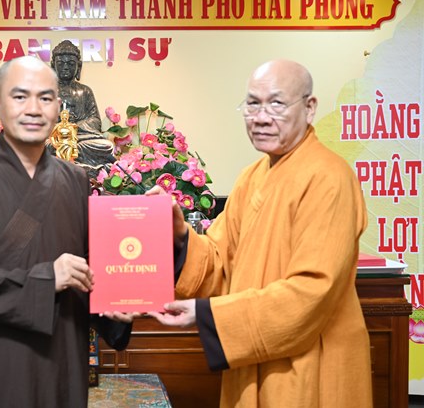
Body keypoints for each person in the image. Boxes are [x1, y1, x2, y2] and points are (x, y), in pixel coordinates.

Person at [148, 60, 373, 407]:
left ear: (310, 108)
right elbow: (219, 262)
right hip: (253, 358)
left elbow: (312, 292)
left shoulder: (330, 177)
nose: (262, 117)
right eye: (253, 104)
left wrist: (209, 315)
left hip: (309, 364)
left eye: (277, 104)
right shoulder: (251, 178)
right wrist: (179, 234)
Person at [0, 56, 132, 408]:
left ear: (58, 107)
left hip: (62, 352)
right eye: (20, 96)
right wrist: (45, 279)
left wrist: (114, 304)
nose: (34, 109)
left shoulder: (75, 180)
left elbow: (87, 269)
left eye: (46, 98)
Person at [49, 40, 116, 179]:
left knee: (106, 146)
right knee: (37, 146)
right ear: (53, 66)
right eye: (61, 63)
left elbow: (95, 121)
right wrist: (59, 126)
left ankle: (69, 160)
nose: (65, 67)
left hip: (80, 139)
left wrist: (75, 126)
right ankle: (69, 160)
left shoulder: (85, 91)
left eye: (71, 64)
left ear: (78, 66)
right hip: (55, 139)